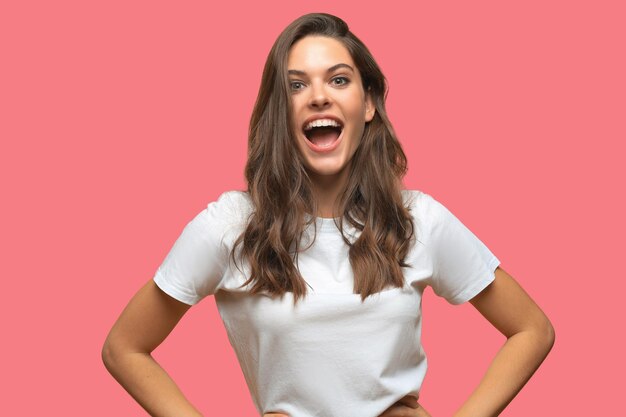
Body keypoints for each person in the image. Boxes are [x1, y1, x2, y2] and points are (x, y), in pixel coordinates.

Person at [102, 13, 555, 417]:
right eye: (296, 85)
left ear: (369, 104)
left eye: (338, 80)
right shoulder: (229, 227)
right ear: (280, 112)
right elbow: (124, 349)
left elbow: (532, 330)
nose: (318, 96)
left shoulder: (419, 220)